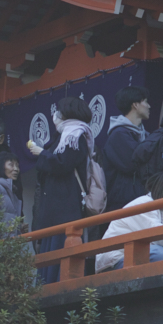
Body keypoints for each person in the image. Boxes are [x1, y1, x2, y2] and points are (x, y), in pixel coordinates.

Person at [27, 95, 96, 285]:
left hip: (65, 205)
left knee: (60, 248)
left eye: (58, 111)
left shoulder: (76, 135)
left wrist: (42, 153)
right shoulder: (64, 135)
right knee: (51, 249)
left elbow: (63, 164)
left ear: (67, 112)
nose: (55, 115)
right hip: (56, 206)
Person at [94, 171, 163, 272]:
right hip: (113, 261)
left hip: (131, 254)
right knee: (158, 252)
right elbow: (160, 238)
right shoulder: (144, 204)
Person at [101, 87, 156, 210]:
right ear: (135, 105)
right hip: (122, 204)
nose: (149, 106)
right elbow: (133, 163)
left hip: (141, 199)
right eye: (145, 101)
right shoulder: (118, 134)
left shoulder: (146, 135)